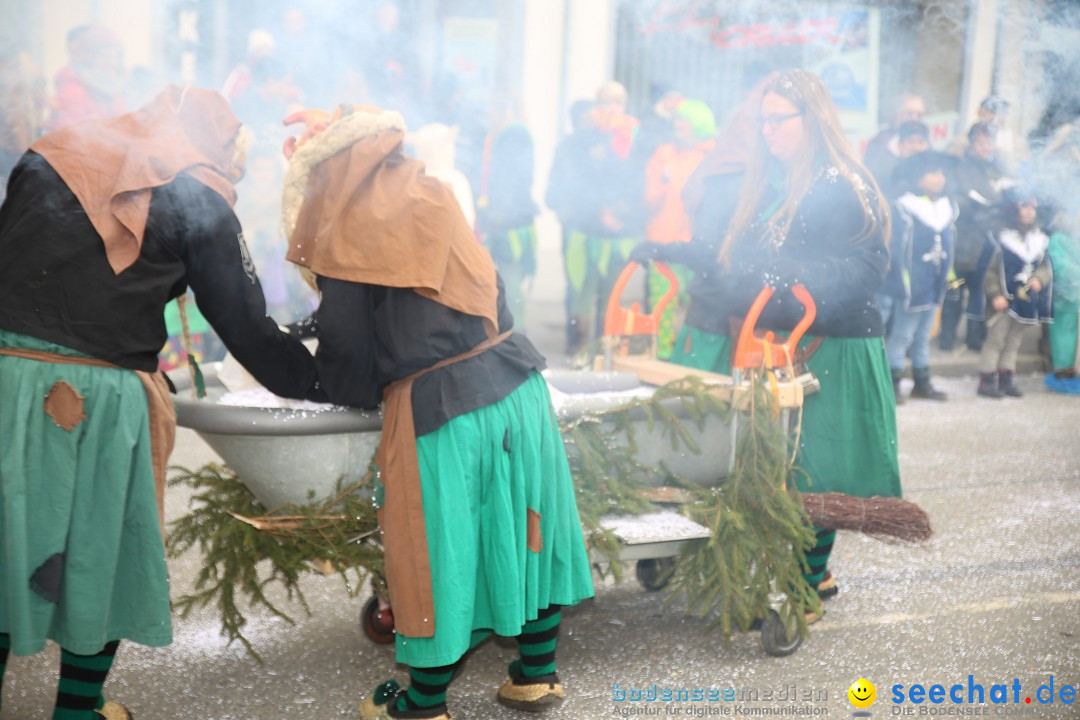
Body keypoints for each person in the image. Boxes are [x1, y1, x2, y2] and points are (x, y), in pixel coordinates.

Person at [0, 86, 323, 719]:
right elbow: (247, 328)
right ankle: (77, 710)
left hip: (3, 378)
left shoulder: (49, 157)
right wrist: (321, 380)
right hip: (100, 395)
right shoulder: (197, 196)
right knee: (103, 550)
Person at [278, 104, 594, 719]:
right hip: (516, 385)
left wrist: (316, 371)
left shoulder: (347, 228)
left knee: (437, 554)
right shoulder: (433, 194)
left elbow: (347, 354)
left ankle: (422, 705)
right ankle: (536, 677)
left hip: (442, 413)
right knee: (529, 529)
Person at [635, 69, 901, 610]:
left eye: (779, 119)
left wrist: (794, 277)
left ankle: (807, 583)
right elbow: (741, 260)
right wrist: (674, 251)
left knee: (814, 469)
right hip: (784, 340)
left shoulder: (841, 182)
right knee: (778, 467)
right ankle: (810, 574)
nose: (768, 130)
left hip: (836, 342)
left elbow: (870, 268)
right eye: (764, 120)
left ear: (814, 119)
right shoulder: (780, 183)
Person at [640, 98, 716, 358]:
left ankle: (687, 358)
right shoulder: (664, 154)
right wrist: (662, 181)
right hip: (663, 245)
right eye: (677, 123)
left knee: (696, 309)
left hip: (698, 248)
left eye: (684, 123)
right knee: (662, 307)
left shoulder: (714, 156)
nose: (679, 128)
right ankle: (661, 356)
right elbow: (648, 200)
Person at [879, 151, 958, 402]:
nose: (940, 178)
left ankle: (922, 383)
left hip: (935, 283)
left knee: (924, 335)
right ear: (917, 177)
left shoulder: (946, 209)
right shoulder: (904, 207)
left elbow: (949, 248)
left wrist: (952, 280)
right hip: (911, 284)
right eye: (933, 173)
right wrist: (902, 283)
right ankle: (892, 384)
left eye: (942, 173)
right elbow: (897, 248)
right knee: (902, 335)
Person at [939, 121, 1014, 352]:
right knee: (955, 291)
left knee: (980, 294)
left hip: (987, 243)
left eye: (989, 141)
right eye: (980, 142)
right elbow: (951, 196)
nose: (984, 146)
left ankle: (975, 339)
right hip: (962, 240)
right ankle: (947, 339)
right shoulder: (959, 166)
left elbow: (1008, 202)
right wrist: (972, 206)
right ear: (971, 143)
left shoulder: (999, 169)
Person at [975, 191, 1053, 398]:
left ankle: (1006, 378)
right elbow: (988, 272)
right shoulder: (1000, 240)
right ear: (1013, 210)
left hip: (1025, 302)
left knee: (1014, 341)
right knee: (996, 340)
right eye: (1024, 207)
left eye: (1032, 208)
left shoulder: (1039, 240)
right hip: (1004, 301)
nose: (1028, 212)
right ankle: (987, 380)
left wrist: (1039, 279)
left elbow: (1044, 266)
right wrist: (995, 294)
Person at [46, 25, 126, 132]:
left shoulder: (112, 88)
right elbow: (74, 135)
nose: (112, 63)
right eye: (105, 56)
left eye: (115, 57)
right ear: (89, 59)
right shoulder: (72, 89)